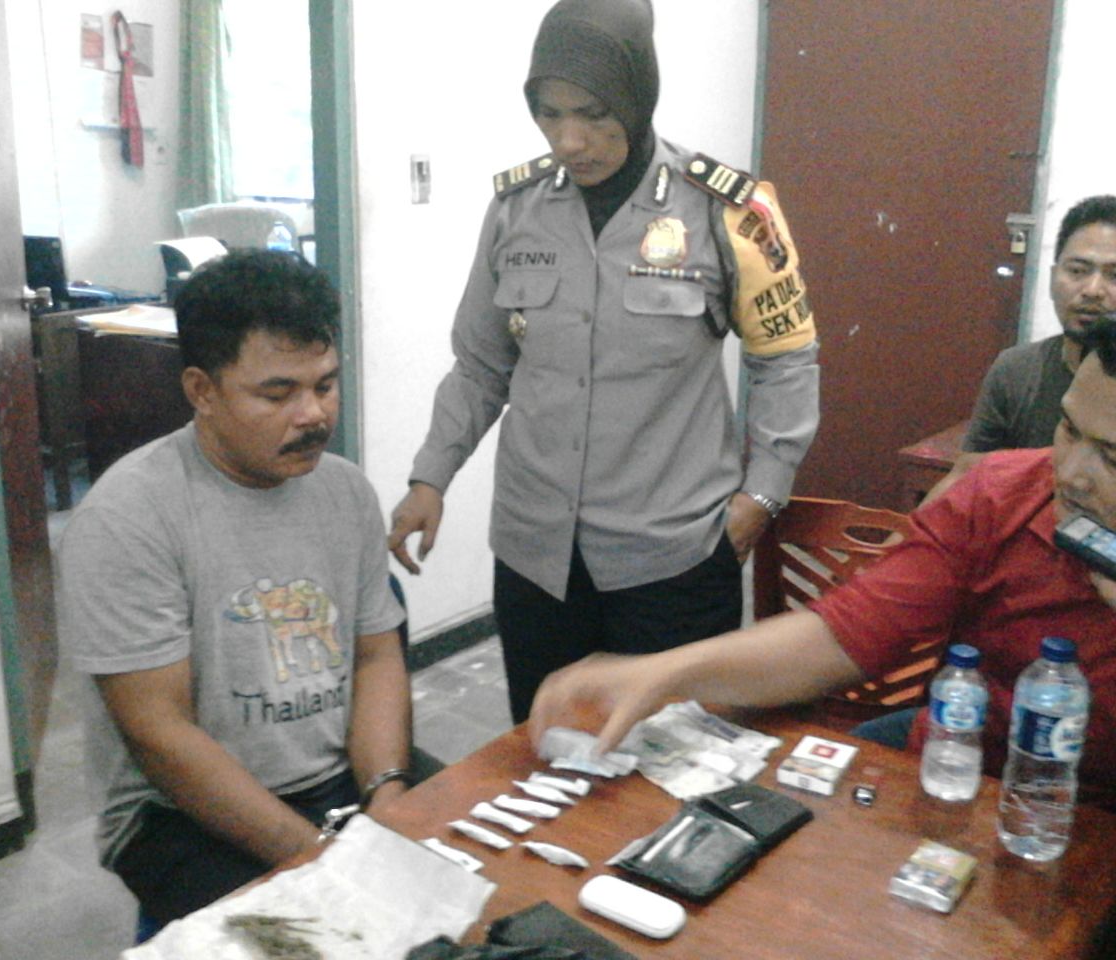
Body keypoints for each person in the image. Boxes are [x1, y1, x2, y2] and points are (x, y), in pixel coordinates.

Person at [388, 0, 820, 722]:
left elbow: (787, 360)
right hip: (536, 559)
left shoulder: (726, 210)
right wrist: (431, 475)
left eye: (593, 114)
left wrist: (761, 498)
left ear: (637, 96)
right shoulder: (516, 210)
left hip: (676, 559)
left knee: (675, 760)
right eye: (549, 114)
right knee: (543, 748)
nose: (570, 140)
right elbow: (480, 366)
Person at [529, 316, 1116, 811]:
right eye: (1068, 429)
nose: (1070, 474)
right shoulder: (1000, 495)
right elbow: (844, 634)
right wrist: (665, 673)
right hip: (963, 774)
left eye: (1111, 457)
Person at [58, 250, 413, 929]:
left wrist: (387, 793)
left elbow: (376, 656)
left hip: (336, 778)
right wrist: (321, 859)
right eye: (277, 395)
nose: (313, 415)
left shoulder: (346, 492)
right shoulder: (129, 517)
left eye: (326, 385)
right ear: (202, 390)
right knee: (329, 936)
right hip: (177, 814)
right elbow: (161, 735)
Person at [922, 195, 1116, 505]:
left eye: (1114, 276)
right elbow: (968, 475)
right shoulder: (1017, 369)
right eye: (1078, 270)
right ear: (1052, 278)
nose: (1092, 290)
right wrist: (912, 533)